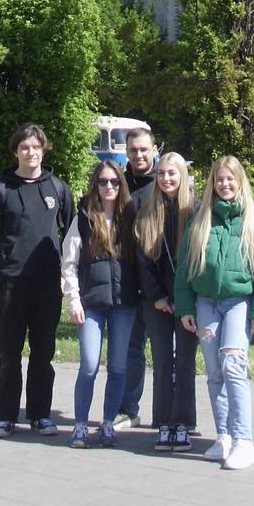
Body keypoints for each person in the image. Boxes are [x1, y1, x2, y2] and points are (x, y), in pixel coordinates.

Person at [0, 124, 74, 438]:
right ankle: (5, 417)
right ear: (15, 152)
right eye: (24, 147)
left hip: (48, 286)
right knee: (10, 355)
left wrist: (68, 278)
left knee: (43, 354)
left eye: (36, 147)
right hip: (11, 285)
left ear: (44, 150)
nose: (31, 152)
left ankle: (41, 415)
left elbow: (73, 237)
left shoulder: (58, 189)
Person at [175, 156, 254, 471]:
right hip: (205, 303)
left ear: (240, 181)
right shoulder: (200, 220)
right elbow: (185, 268)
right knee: (215, 371)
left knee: (233, 366)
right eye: (219, 179)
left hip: (238, 303)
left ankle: (244, 440)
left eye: (230, 179)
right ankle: (225, 436)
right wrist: (185, 307)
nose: (225, 184)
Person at [61, 160, 139, 449]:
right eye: (103, 181)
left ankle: (107, 423)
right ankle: (80, 425)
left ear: (121, 185)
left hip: (124, 302)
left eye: (114, 182)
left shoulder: (130, 217)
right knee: (90, 365)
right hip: (91, 302)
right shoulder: (83, 218)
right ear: (95, 185)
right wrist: (74, 300)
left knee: (118, 367)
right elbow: (69, 263)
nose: (109, 186)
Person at [134, 150, 198, 450]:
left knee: (184, 363)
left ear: (182, 176)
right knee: (161, 362)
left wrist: (185, 300)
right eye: (161, 173)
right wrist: (157, 296)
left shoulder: (196, 210)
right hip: (157, 301)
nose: (166, 178)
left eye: (172, 173)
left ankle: (183, 422)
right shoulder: (148, 211)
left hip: (188, 302)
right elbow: (142, 259)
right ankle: (162, 423)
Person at [116, 123, 158, 428]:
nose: (139, 155)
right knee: (131, 350)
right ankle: (128, 408)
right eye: (133, 150)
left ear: (154, 150)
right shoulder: (117, 183)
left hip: (161, 282)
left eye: (144, 149)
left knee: (167, 352)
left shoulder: (167, 181)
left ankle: (172, 415)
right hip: (128, 279)